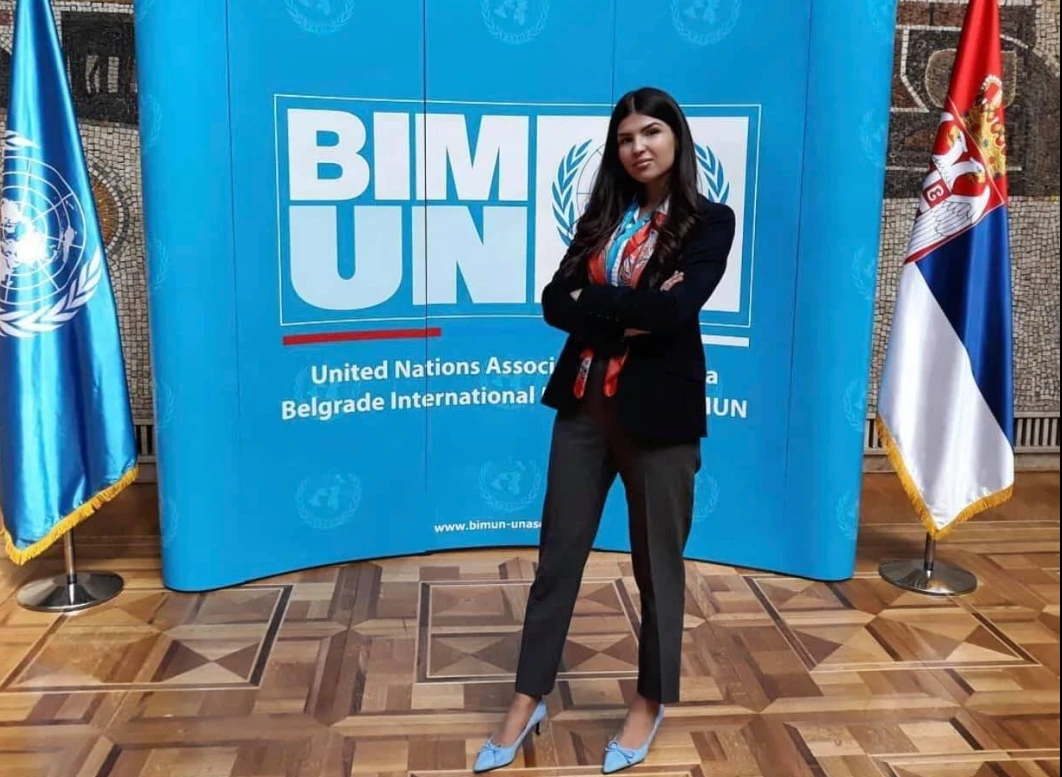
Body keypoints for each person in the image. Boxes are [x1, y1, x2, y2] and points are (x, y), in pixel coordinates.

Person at [473, 86, 736, 774]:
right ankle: (528, 696)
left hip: (660, 418)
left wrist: (597, 300)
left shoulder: (711, 222)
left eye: (651, 132)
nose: (638, 147)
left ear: (676, 138)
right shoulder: (602, 218)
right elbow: (553, 303)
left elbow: (676, 311)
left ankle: (649, 700)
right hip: (584, 407)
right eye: (625, 138)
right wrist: (628, 309)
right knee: (557, 558)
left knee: (658, 568)